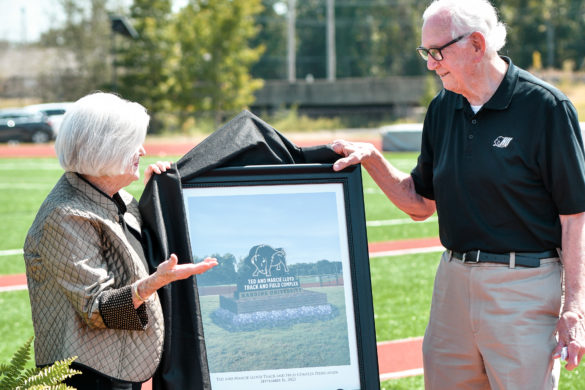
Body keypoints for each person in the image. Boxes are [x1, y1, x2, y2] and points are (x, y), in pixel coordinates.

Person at [332, 0, 585, 388]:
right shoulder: (442, 107)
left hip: (524, 287)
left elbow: (575, 215)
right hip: (452, 283)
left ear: (477, 45)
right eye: (425, 52)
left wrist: (574, 308)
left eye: (437, 52)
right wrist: (373, 162)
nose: (430, 63)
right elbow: (420, 205)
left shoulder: (546, 107)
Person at [23, 92, 218, 390]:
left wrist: (159, 192)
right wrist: (153, 283)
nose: (142, 150)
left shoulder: (115, 196)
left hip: (117, 365)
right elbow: (97, 310)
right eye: (131, 143)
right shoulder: (65, 216)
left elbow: (142, 246)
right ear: (104, 149)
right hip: (89, 375)